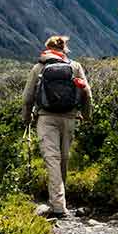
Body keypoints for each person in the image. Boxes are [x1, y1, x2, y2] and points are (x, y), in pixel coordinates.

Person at [22, 35, 92, 218]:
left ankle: (58, 206)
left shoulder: (39, 67)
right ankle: (60, 200)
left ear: (47, 48)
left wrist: (27, 118)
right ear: (65, 49)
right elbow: (87, 93)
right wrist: (86, 114)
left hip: (46, 118)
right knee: (64, 159)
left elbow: (27, 97)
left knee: (52, 159)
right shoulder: (74, 66)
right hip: (69, 118)